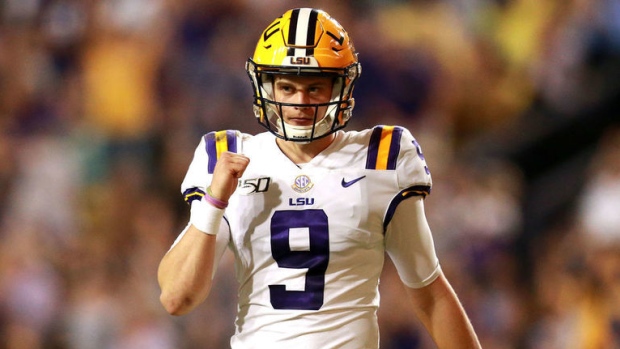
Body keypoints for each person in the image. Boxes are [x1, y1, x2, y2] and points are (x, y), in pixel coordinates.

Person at [158, 7, 481, 348]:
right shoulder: (228, 157)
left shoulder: (381, 158)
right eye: (287, 87)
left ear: (342, 87)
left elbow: (430, 294)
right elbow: (177, 299)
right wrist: (214, 201)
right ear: (266, 88)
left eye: (314, 88)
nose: (300, 102)